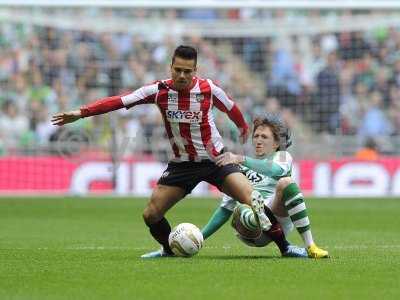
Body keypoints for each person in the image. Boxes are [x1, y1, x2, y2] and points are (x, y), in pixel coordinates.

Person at [51, 45, 272, 258]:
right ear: (171, 67)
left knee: (251, 198)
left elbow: (231, 108)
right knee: (151, 214)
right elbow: (120, 101)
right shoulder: (158, 91)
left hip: (216, 159)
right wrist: (82, 112)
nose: (182, 75)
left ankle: (284, 245)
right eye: (178, 70)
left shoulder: (209, 89)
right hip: (182, 164)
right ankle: (169, 248)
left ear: (195, 71)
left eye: (188, 71)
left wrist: (243, 127)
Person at [202, 114, 329, 258]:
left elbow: (274, 170)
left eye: (264, 137)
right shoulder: (240, 168)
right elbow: (225, 209)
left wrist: (241, 159)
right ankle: (283, 244)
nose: (258, 141)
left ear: (276, 143)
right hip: (250, 228)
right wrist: (200, 238)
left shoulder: (282, 156)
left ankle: (310, 246)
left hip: (277, 218)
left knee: (286, 183)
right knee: (243, 207)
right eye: (256, 136)